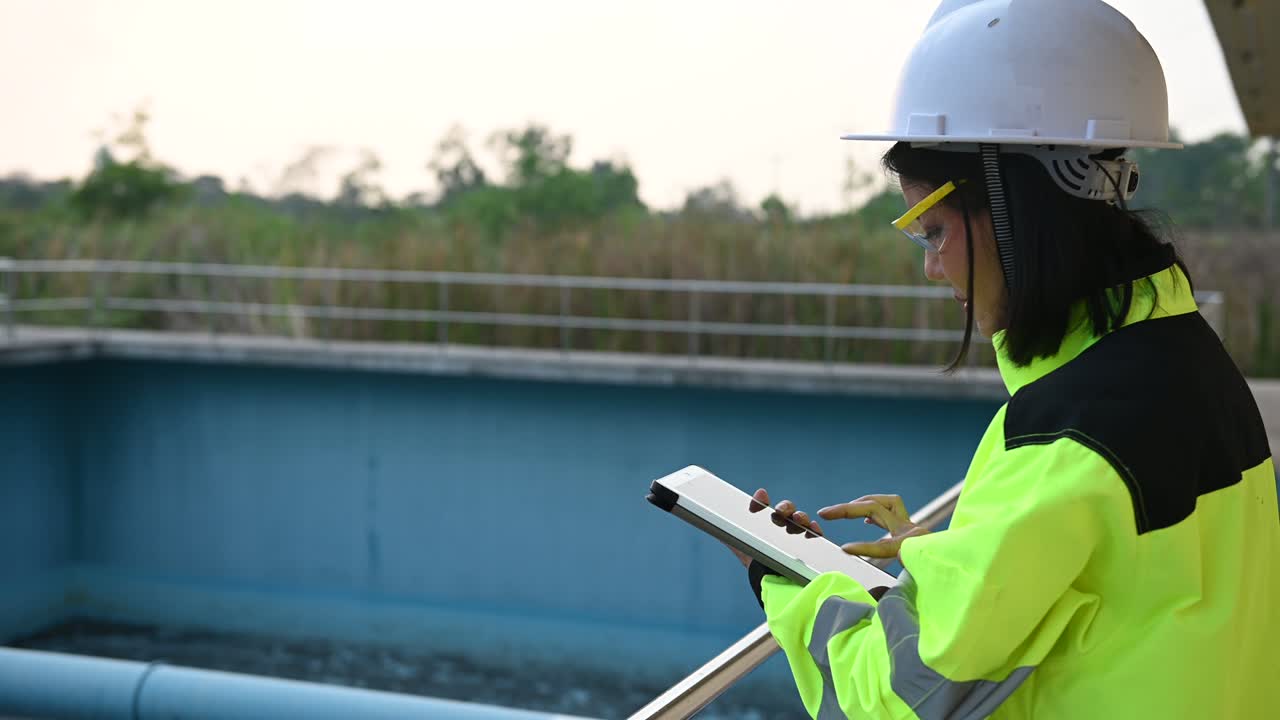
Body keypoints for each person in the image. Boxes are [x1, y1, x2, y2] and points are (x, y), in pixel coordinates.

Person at [733, 1, 1279, 718]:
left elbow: (901, 696)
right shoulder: (1186, 358)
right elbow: (1112, 589)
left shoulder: (1066, 439)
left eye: (930, 231)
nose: (931, 268)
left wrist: (795, 582)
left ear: (1010, 209)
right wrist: (948, 557)